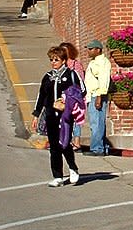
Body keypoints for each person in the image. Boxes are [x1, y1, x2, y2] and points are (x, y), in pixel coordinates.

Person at [32, 46, 84, 186]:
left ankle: (72, 168)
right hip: (50, 115)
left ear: (63, 60)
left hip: (65, 115)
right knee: (54, 145)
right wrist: (36, 114)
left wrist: (67, 99)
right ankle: (57, 176)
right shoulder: (47, 77)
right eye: (51, 60)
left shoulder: (71, 75)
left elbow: (82, 91)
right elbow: (41, 96)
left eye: (56, 60)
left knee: (64, 143)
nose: (53, 62)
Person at [83, 39, 111, 156]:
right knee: (96, 122)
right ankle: (102, 147)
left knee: (97, 123)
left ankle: (97, 148)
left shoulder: (102, 62)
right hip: (92, 96)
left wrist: (99, 96)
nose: (88, 51)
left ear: (98, 50)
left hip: (97, 95)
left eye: (91, 49)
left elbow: (104, 80)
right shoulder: (94, 62)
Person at [60, 42, 84, 149]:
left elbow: (81, 80)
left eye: (65, 51)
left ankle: (76, 142)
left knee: (76, 118)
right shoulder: (61, 64)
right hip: (64, 96)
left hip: (75, 95)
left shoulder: (76, 65)